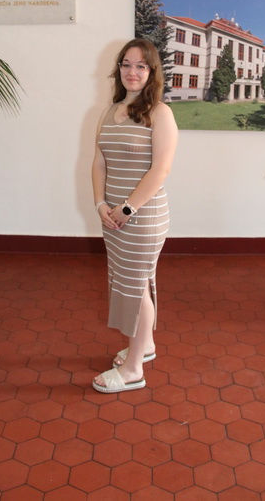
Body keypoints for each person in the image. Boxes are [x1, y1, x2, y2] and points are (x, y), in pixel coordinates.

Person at [92, 38, 178, 393]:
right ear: (118, 69)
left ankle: (133, 371)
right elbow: (99, 162)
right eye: (126, 64)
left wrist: (128, 208)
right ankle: (146, 346)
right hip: (112, 218)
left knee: (135, 286)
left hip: (142, 217)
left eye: (141, 65)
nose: (132, 71)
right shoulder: (110, 111)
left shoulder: (160, 113)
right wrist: (100, 204)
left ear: (152, 71)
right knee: (132, 282)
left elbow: (161, 169)